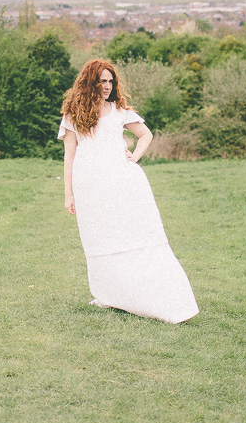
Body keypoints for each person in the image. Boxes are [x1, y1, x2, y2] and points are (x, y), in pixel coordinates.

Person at [58, 59, 199, 324]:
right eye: (102, 81)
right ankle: (110, 294)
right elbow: (69, 156)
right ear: (89, 82)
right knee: (99, 237)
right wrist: (68, 194)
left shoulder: (120, 111)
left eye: (111, 81)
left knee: (133, 233)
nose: (107, 86)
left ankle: (152, 295)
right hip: (89, 185)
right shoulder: (72, 115)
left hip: (122, 182)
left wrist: (134, 156)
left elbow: (146, 135)